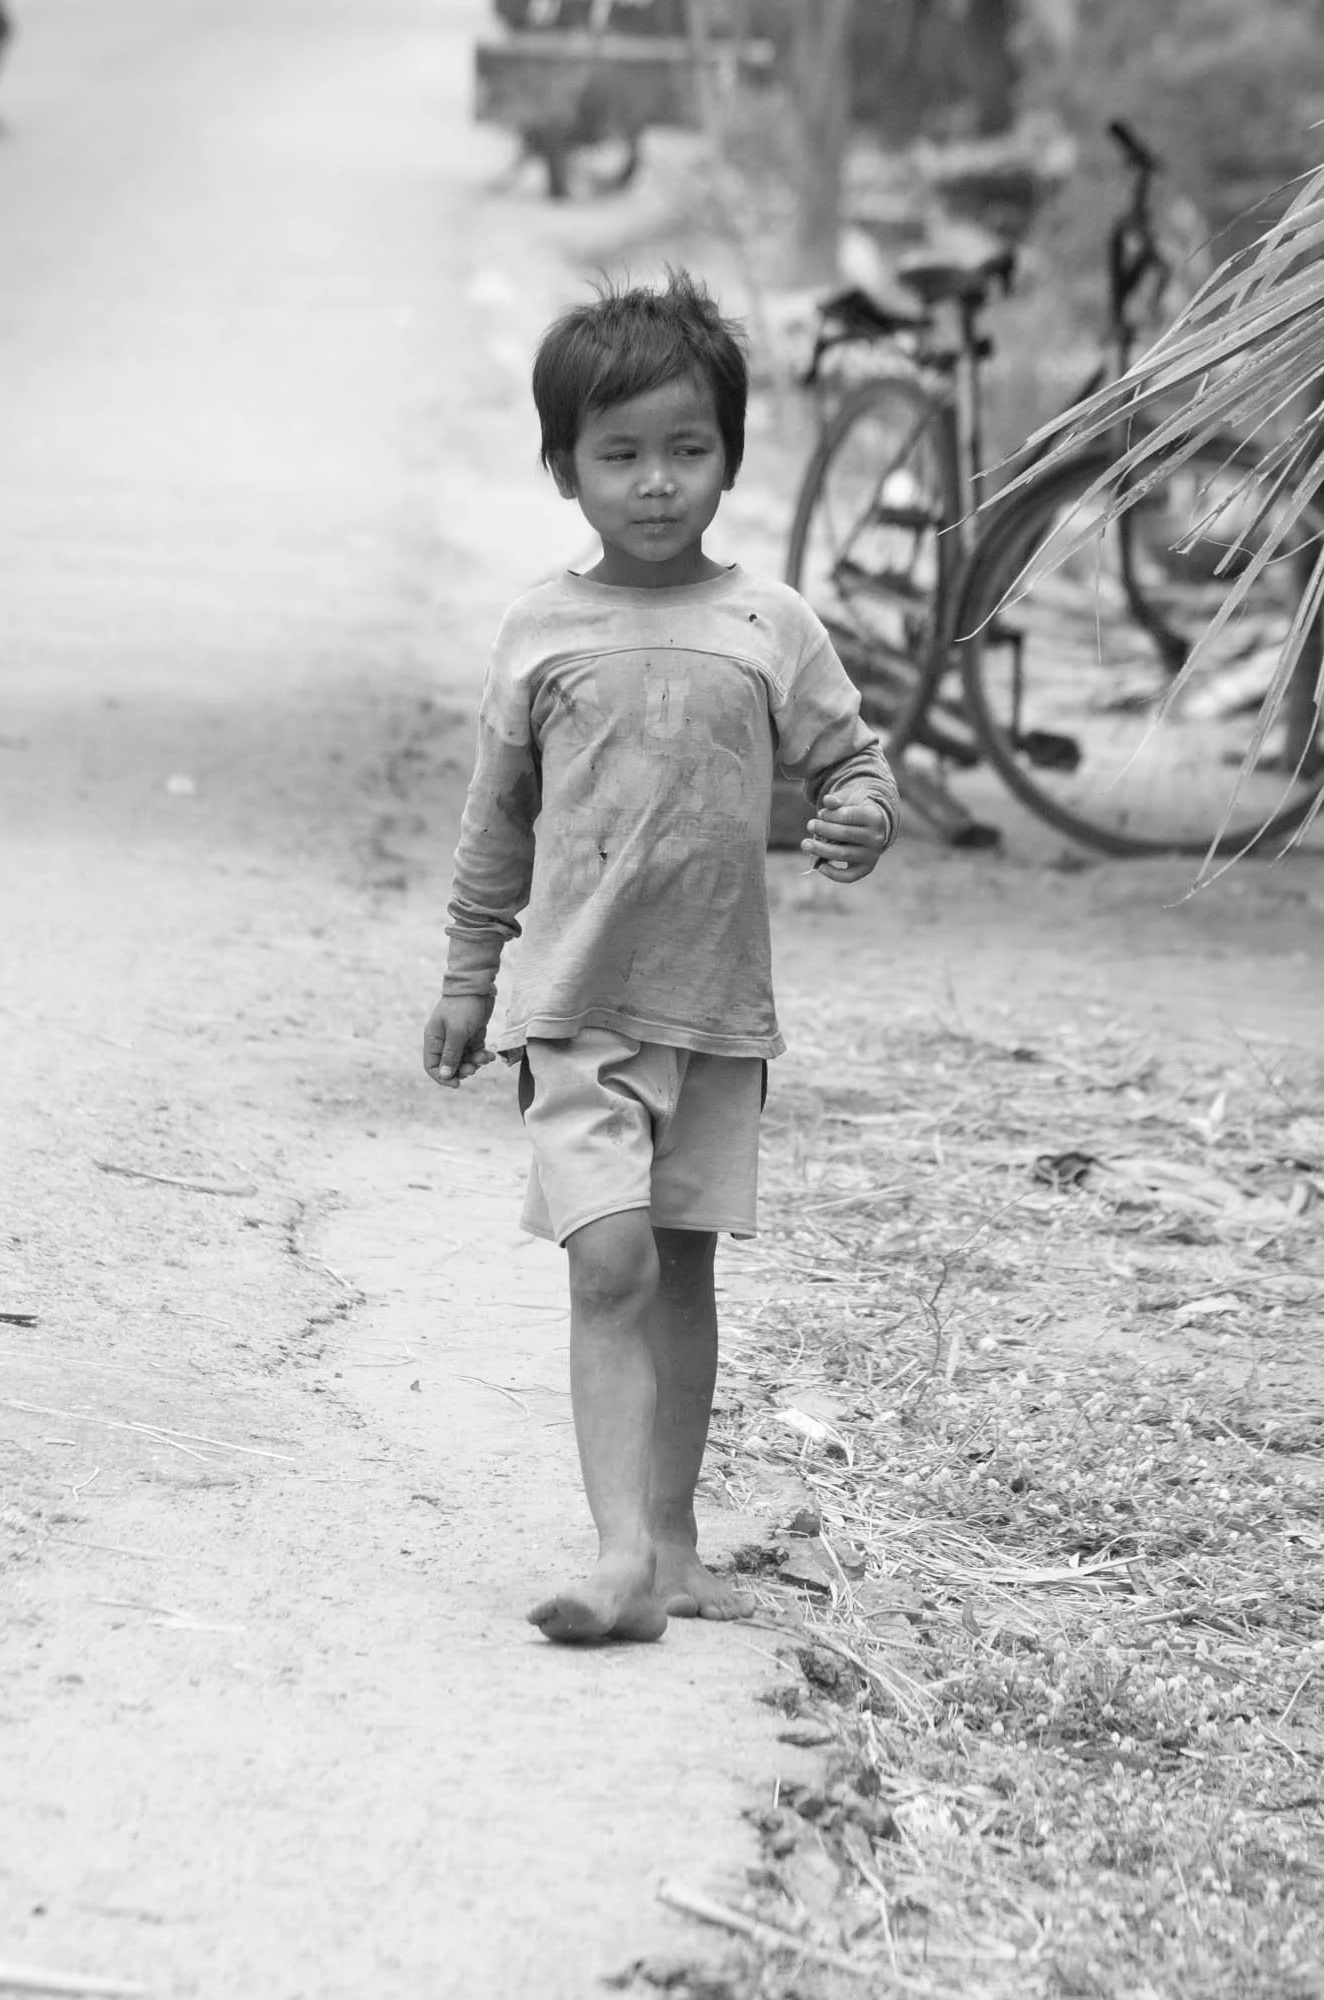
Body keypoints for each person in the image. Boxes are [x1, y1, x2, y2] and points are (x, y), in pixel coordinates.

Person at [422, 270, 899, 1645]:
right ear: (565, 469)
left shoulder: (770, 624)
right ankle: (618, 1552)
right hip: (576, 1008)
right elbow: (497, 816)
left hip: (716, 1014)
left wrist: (859, 814)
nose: (654, 482)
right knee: (611, 1262)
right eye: (619, 454)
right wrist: (468, 972)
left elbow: (852, 760)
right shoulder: (541, 631)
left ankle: (675, 1543)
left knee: (682, 1269)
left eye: (686, 450)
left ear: (730, 459)